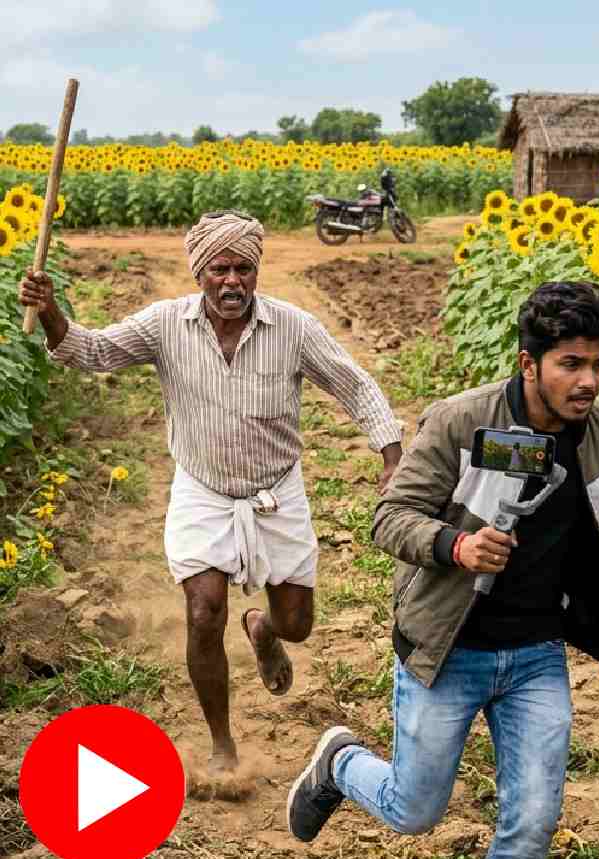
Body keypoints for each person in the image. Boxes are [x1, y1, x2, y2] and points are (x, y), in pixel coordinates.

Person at [285, 281, 599, 859]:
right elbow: (391, 515)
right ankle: (340, 763)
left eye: (598, 364)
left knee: (533, 821)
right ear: (528, 363)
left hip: (536, 656)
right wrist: (456, 547)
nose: (588, 381)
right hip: (449, 648)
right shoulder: (463, 422)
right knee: (414, 811)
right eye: (571, 364)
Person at [18, 210, 403, 772]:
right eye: (220, 269)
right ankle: (222, 741)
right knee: (204, 611)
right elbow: (94, 351)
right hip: (203, 490)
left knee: (298, 623)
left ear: (255, 271)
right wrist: (50, 310)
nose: (232, 282)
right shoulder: (165, 324)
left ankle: (265, 629)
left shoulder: (292, 328)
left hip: (275, 492)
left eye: (243, 269)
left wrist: (391, 453)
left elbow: (354, 384)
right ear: (200, 274)